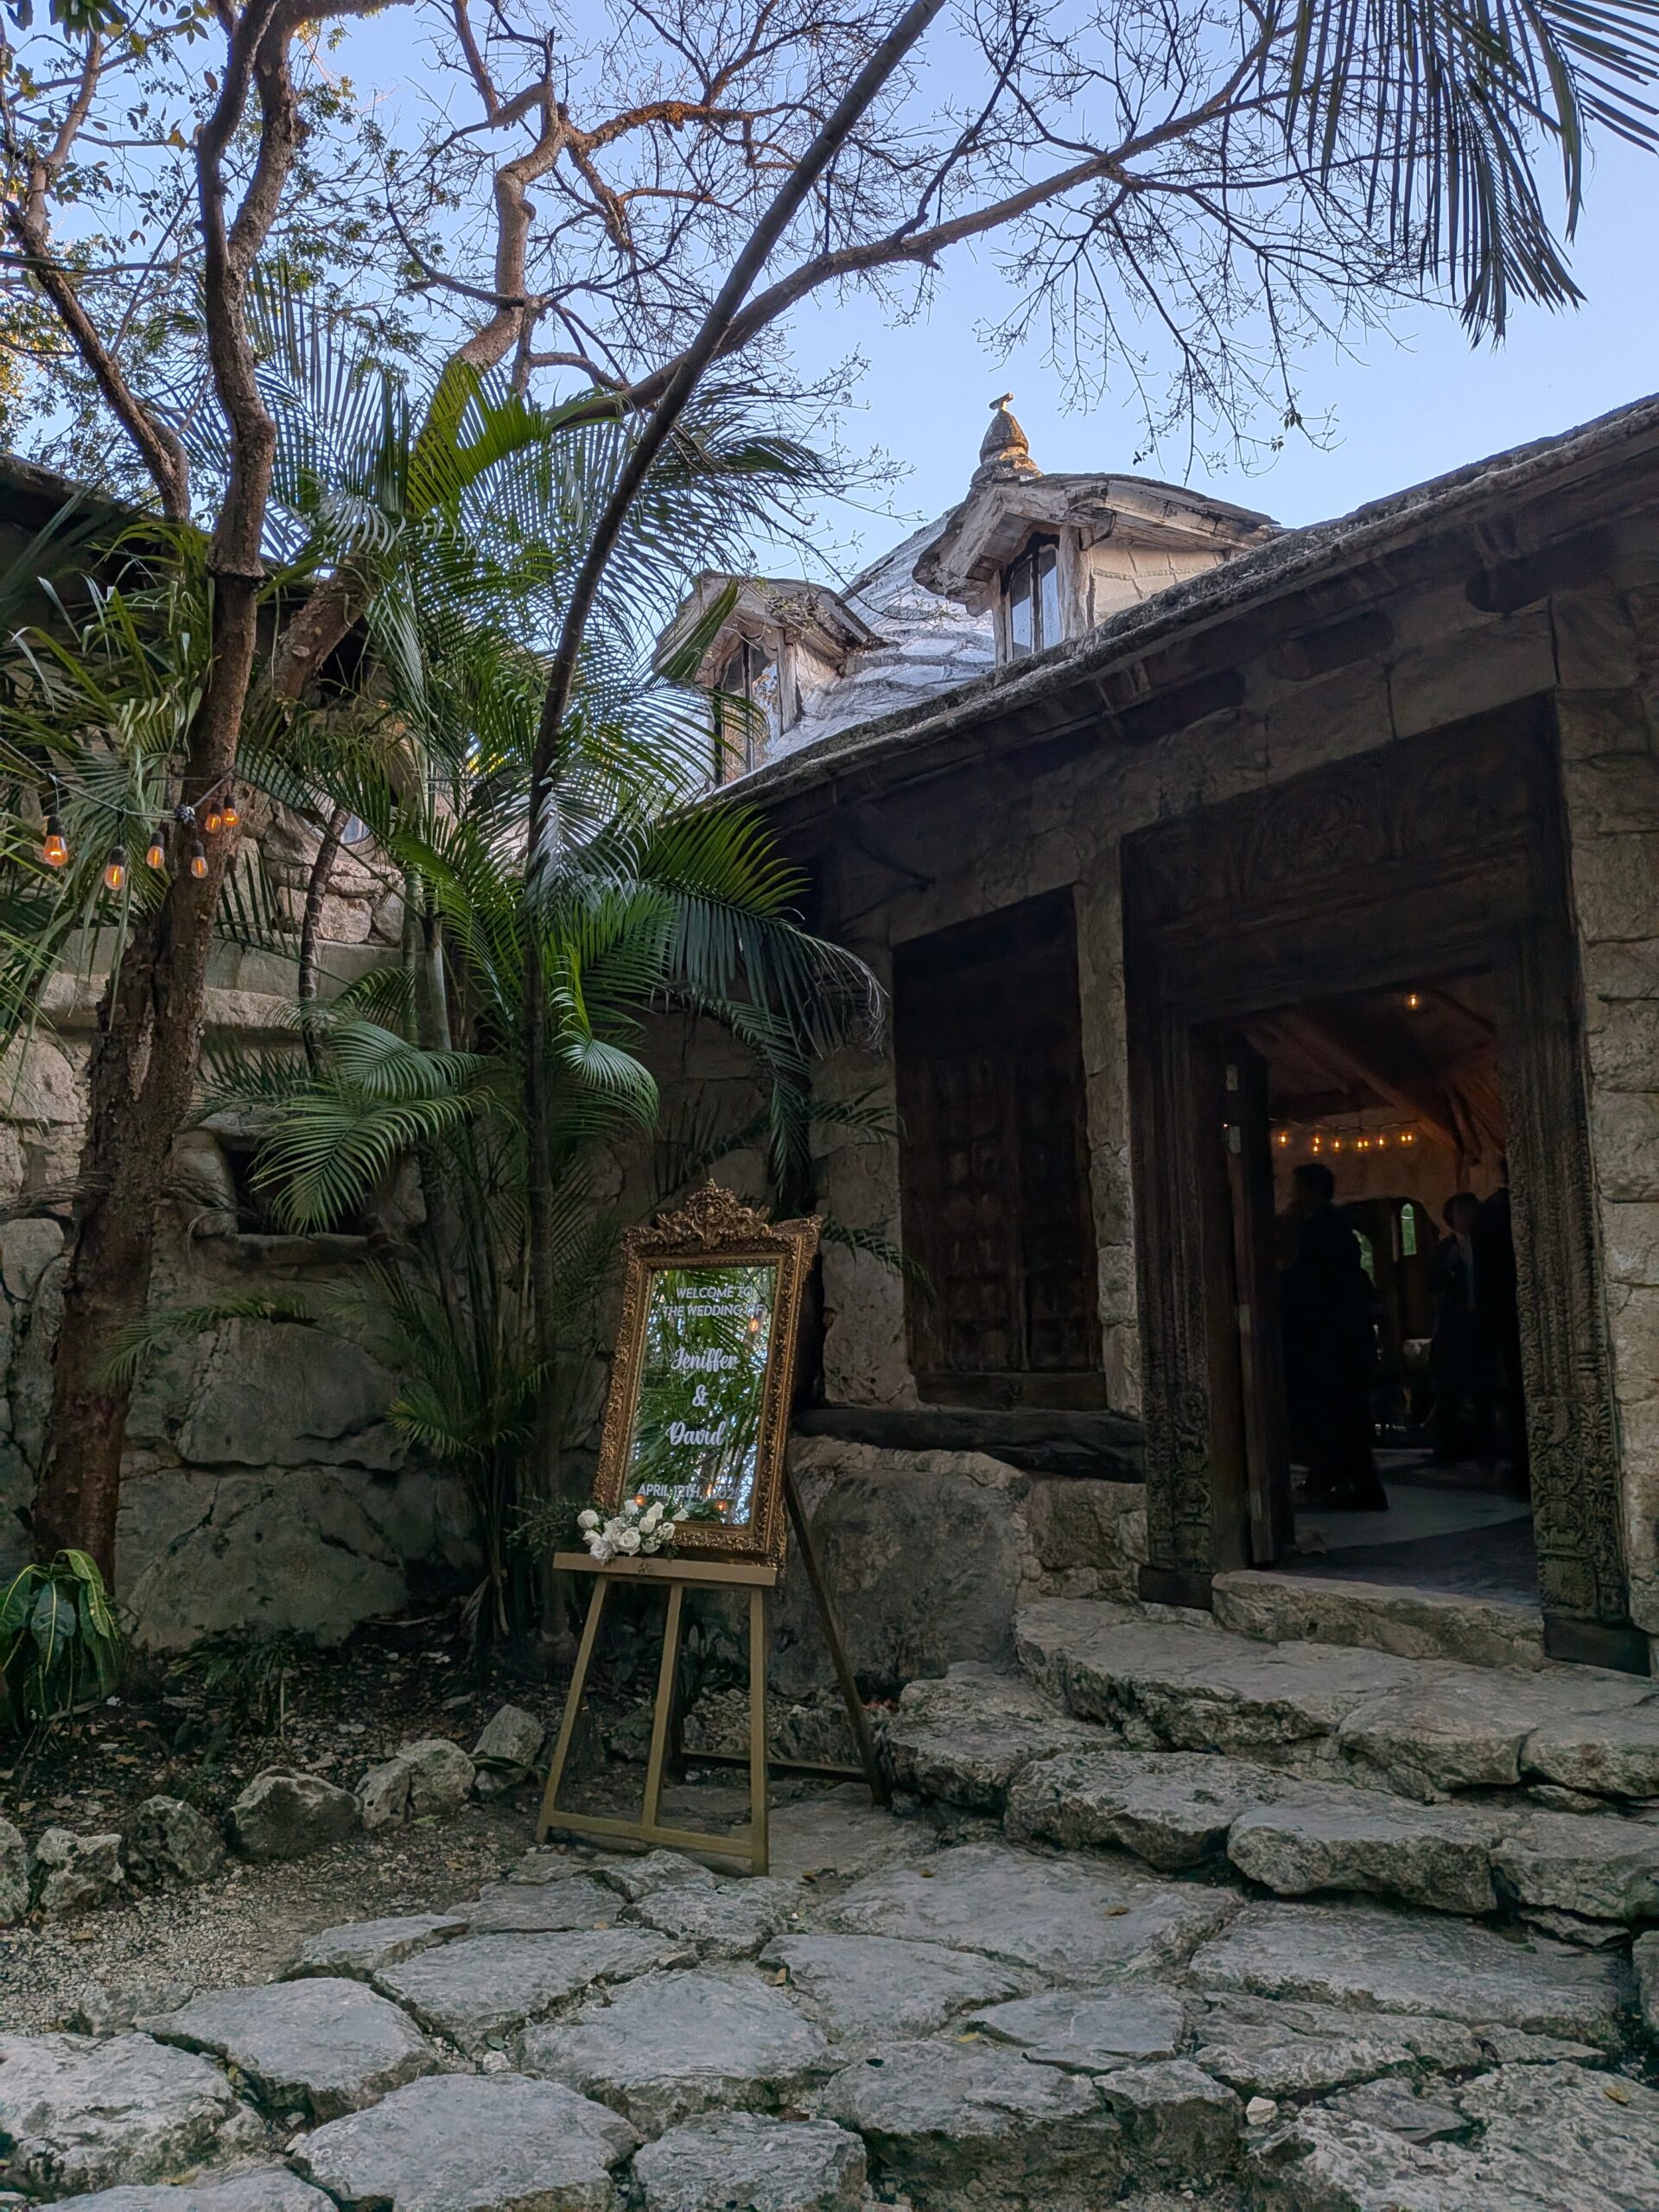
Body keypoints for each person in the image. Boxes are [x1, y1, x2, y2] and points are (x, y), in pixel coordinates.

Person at [1280, 1161, 1389, 1510]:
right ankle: (1335, 1478)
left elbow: (1314, 1282)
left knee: (1339, 1415)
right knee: (1337, 1415)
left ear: (1310, 1190)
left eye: (1296, 1188)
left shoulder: (1322, 1228)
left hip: (1332, 1343)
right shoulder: (1329, 1225)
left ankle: (1357, 1486)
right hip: (1337, 1340)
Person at [1429, 1192, 1494, 1465]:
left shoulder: (1489, 1246)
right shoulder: (1444, 1249)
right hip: (1454, 1327)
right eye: (1459, 1213)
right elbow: (1432, 1284)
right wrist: (1449, 1264)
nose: (1465, 1217)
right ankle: (1448, 1446)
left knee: (1484, 1388)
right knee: (1449, 1388)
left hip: (1483, 1324)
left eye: (1469, 1211)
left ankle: (1486, 1446)